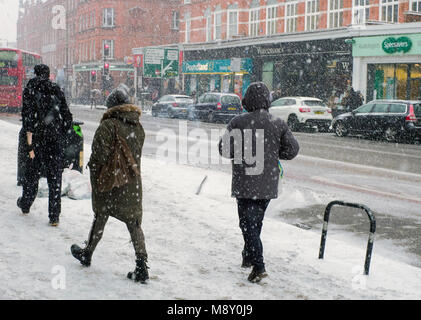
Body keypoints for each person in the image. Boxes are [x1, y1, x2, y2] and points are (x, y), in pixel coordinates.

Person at [218, 82, 299, 283]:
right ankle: (248, 255)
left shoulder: (237, 122)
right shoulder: (278, 123)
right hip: (268, 182)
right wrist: (272, 153)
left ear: (247, 100)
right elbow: (292, 150)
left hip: (244, 183)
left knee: (247, 224)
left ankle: (259, 266)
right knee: (255, 222)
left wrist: (244, 152)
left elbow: (224, 150)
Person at [70, 84, 149, 283]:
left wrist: (95, 174)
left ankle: (87, 254)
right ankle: (142, 265)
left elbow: (99, 156)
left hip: (111, 181)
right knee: (134, 222)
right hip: (131, 182)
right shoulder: (137, 127)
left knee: (101, 215)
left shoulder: (108, 126)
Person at [17, 64, 73, 226]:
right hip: (54, 140)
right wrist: (60, 132)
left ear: (35, 74)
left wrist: (29, 142)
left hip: (35, 139)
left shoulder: (30, 89)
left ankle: (26, 204)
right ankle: (54, 216)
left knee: (32, 175)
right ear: (48, 75)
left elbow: (27, 116)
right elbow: (67, 116)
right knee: (55, 178)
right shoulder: (57, 90)